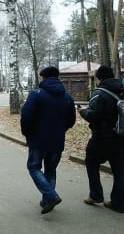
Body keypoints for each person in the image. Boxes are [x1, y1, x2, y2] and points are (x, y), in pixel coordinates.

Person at [21, 66, 76, 214]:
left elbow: (26, 116)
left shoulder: (37, 94)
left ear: (43, 77)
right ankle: (47, 200)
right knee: (50, 170)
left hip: (38, 140)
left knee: (34, 168)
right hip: (57, 140)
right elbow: (71, 120)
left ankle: (51, 196)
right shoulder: (68, 97)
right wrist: (60, 130)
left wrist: (27, 133)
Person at [78, 65, 124, 213]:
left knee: (91, 161)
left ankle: (96, 194)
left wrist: (82, 112)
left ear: (99, 78)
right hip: (120, 136)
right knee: (119, 170)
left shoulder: (99, 93)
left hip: (101, 137)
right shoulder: (122, 90)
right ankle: (118, 203)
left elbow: (94, 115)